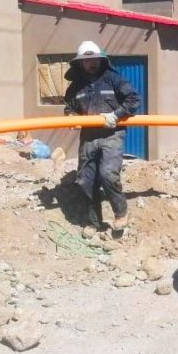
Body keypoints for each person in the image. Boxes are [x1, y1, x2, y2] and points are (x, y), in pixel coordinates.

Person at [63, 41, 141, 234]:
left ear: (101, 60)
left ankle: (120, 213)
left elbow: (134, 99)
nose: (92, 63)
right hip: (89, 137)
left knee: (107, 174)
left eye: (95, 60)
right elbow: (69, 107)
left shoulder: (113, 79)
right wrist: (71, 117)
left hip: (112, 134)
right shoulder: (76, 87)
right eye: (87, 60)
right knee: (85, 180)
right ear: (80, 63)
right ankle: (93, 222)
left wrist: (116, 114)